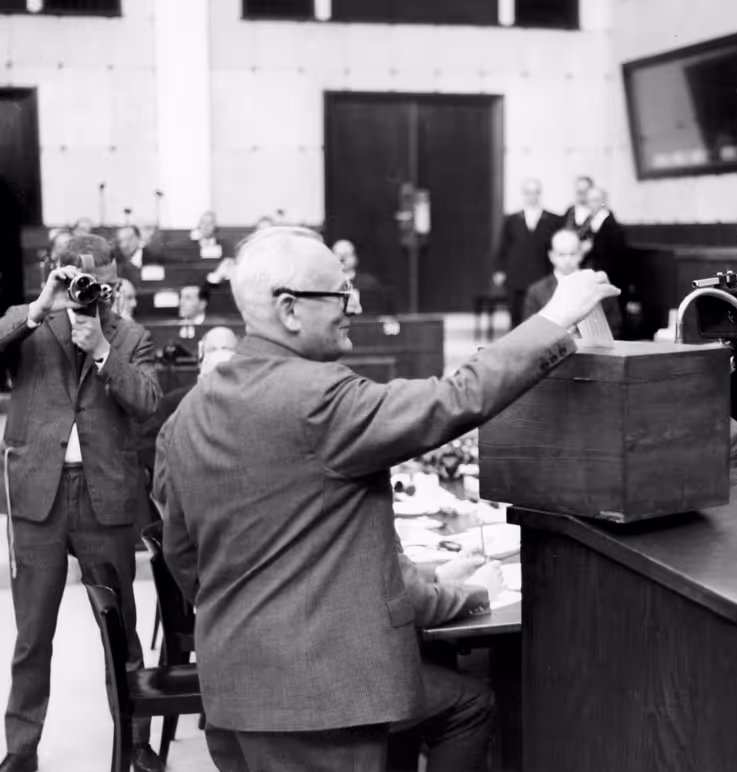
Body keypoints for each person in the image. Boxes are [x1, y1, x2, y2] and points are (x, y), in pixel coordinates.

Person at [153, 226, 617, 771]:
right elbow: (454, 398)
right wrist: (554, 319)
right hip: (322, 703)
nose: (354, 304)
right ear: (289, 309)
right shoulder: (317, 398)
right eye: (338, 294)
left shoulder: (187, 414)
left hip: (234, 691)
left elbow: (185, 560)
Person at [0, 235, 163, 772]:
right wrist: (38, 308)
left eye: (107, 285)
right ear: (58, 275)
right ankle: (20, 754)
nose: (98, 294)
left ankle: (134, 745)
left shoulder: (129, 336)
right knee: (31, 637)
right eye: (84, 283)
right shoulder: (30, 324)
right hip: (38, 495)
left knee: (122, 636)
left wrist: (102, 352)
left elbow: (146, 402)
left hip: (105, 500)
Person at [388, 551, 503, 772]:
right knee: (473, 704)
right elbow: (418, 604)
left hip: (312, 658)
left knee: (434, 656)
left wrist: (437, 575)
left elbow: (377, 567)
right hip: (348, 682)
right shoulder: (367, 514)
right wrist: (478, 590)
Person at [135, 326, 239, 485]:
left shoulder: (253, 406)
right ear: (201, 361)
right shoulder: (173, 404)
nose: (219, 354)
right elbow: (148, 446)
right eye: (212, 349)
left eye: (226, 348)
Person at [523, 229, 622, 337]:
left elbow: (615, 326)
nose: (567, 260)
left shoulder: (598, 285)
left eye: (572, 254)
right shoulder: (536, 291)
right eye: (561, 254)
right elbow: (529, 333)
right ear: (551, 256)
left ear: (580, 254)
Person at [492, 178, 562, 329]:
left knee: (541, 318)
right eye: (529, 192)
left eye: (536, 192)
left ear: (540, 194)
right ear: (524, 194)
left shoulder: (554, 220)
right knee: (516, 318)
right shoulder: (512, 219)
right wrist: (499, 270)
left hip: (542, 274)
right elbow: (503, 246)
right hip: (516, 275)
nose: (532, 196)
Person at [332, 239, 396, 315]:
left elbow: (382, 309)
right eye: (338, 255)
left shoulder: (369, 282)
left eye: (347, 255)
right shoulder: (324, 284)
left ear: (355, 257)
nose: (342, 259)